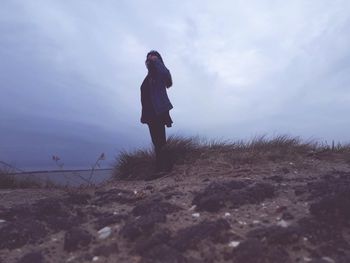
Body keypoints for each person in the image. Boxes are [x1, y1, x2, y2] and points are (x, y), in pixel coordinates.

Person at [140, 50, 173, 173]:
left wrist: (157, 61)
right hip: (149, 114)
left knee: (160, 141)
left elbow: (167, 76)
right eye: (148, 58)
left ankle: (164, 168)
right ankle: (161, 168)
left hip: (158, 111)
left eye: (152, 57)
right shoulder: (148, 77)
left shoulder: (159, 74)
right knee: (156, 142)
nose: (149, 59)